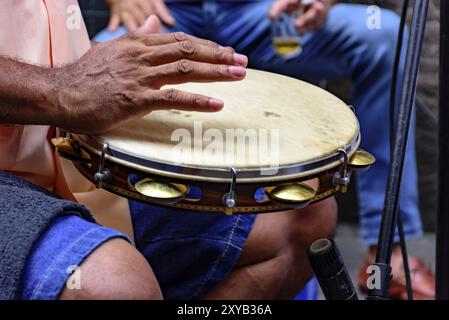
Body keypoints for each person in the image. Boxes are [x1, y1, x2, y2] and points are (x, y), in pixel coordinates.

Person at [94, 0, 435, 299]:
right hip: (170, 12)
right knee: (98, 66)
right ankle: (102, 245)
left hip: (265, 13)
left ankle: (387, 252)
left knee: (384, 35)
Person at [0, 0, 336, 300]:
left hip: (64, 141)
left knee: (298, 211)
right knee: (113, 285)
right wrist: (61, 88)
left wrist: (101, 64)